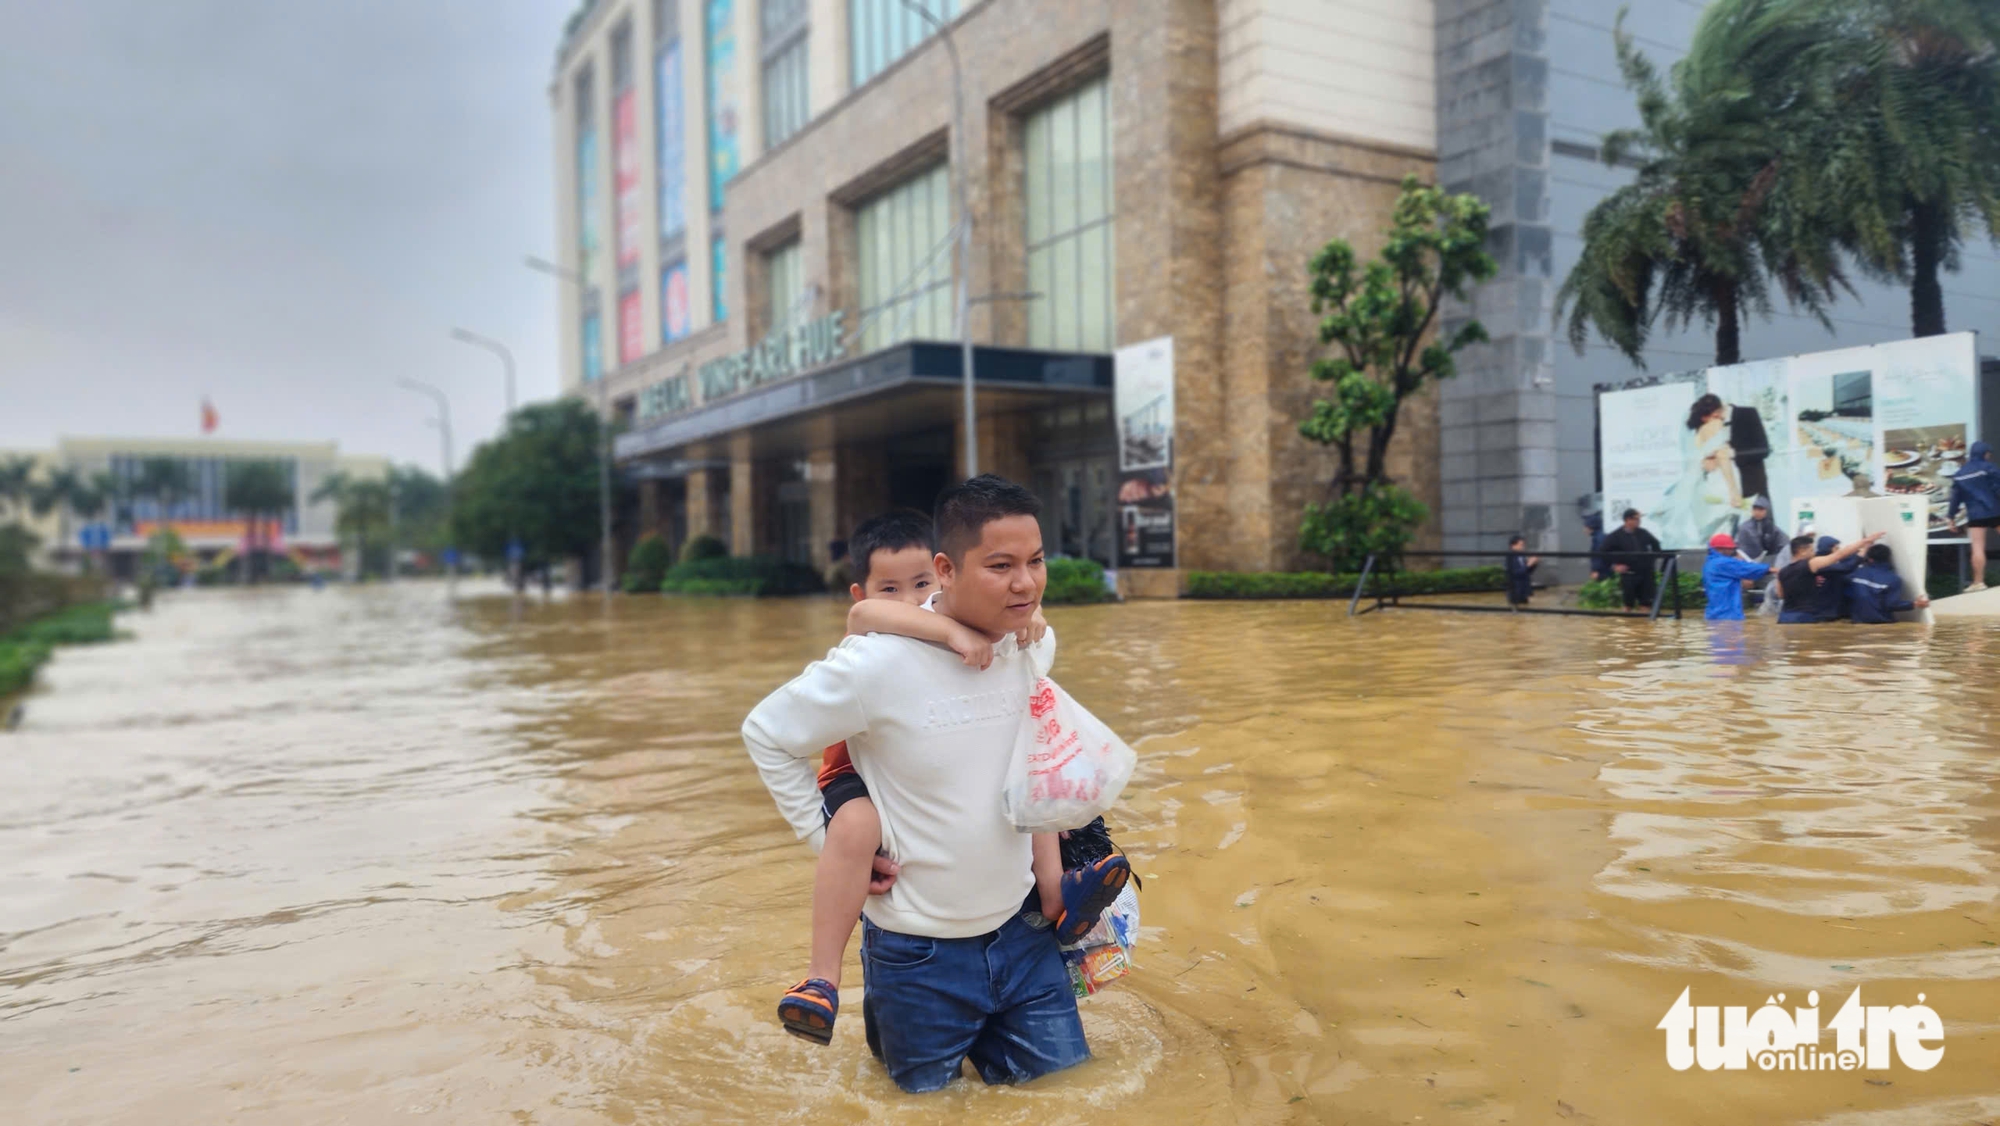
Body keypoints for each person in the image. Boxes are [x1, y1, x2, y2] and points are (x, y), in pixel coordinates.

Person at [742, 476, 1117, 1093]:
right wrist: (828, 840)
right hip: (918, 956)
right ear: (946, 569)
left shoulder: (1032, 641)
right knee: (919, 1109)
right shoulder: (876, 663)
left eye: (1036, 561)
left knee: (1070, 1097)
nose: (1026, 583)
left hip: (1024, 936)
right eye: (1001, 566)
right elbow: (766, 733)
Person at [1658, 394, 1744, 546]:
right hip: (1722, 481)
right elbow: (1723, 457)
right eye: (1721, 409)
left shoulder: (1699, 432)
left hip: (1709, 482)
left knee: (1715, 535)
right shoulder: (1715, 425)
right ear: (1715, 412)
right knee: (1724, 532)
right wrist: (1733, 490)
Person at [1776, 532, 1882, 624]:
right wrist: (1865, 541)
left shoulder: (1782, 572)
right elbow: (1838, 555)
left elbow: (1781, 595)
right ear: (1802, 551)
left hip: (1784, 616)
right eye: (1811, 550)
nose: (1814, 553)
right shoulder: (1811, 564)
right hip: (1804, 616)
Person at [1947, 439, 2000, 592]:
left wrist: (1950, 517)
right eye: (1988, 454)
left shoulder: (1960, 474)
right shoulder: (1989, 468)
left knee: (1977, 548)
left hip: (1975, 515)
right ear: (1985, 453)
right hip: (1996, 510)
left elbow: (1955, 498)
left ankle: (1978, 583)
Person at [1847, 543, 1931, 623]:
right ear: (1889, 558)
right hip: (1882, 622)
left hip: (1858, 621)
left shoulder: (1857, 573)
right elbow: (1891, 604)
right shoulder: (1893, 579)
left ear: (1870, 559)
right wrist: (1914, 604)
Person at [1602, 508, 1664, 610]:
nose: (1639, 521)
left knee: (1646, 604)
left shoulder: (1643, 532)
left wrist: (1652, 559)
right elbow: (1603, 553)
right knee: (1628, 604)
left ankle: (1645, 619)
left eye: (1639, 519)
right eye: (1636, 519)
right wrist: (1614, 566)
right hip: (1629, 574)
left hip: (1646, 573)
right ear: (1627, 520)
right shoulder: (1615, 536)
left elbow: (1656, 545)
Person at [1701, 532, 1771, 621]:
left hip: (1714, 614)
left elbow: (1743, 576)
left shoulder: (1710, 563)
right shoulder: (1723, 562)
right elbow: (1748, 568)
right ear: (1722, 549)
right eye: (1731, 549)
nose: (1733, 551)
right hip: (1727, 615)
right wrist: (1771, 569)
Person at [1727, 401, 1773, 502]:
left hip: (1751, 486)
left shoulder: (1747, 413)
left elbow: (1764, 449)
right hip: (1724, 491)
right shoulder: (1709, 427)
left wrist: (1736, 454)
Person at [1736, 496, 1788, 565]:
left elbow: (1783, 542)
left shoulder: (1772, 527)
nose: (1757, 512)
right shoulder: (1745, 527)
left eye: (1761, 509)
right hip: (1746, 562)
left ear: (1767, 511)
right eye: (1755, 509)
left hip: (1768, 562)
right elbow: (1741, 548)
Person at [1504, 535, 1539, 608]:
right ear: (1513, 545)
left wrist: (1534, 564)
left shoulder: (1521, 556)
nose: (1523, 547)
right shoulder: (1509, 557)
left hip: (1524, 590)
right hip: (1515, 591)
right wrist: (1529, 564)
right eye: (1521, 545)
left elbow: (1527, 572)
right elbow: (1515, 573)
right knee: (1516, 610)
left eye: (1523, 545)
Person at [1583, 512, 1608, 580]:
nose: (1584, 530)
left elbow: (1598, 555)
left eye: (1586, 527)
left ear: (1591, 526)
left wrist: (1595, 570)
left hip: (1602, 572)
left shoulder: (1599, 539)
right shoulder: (1600, 536)